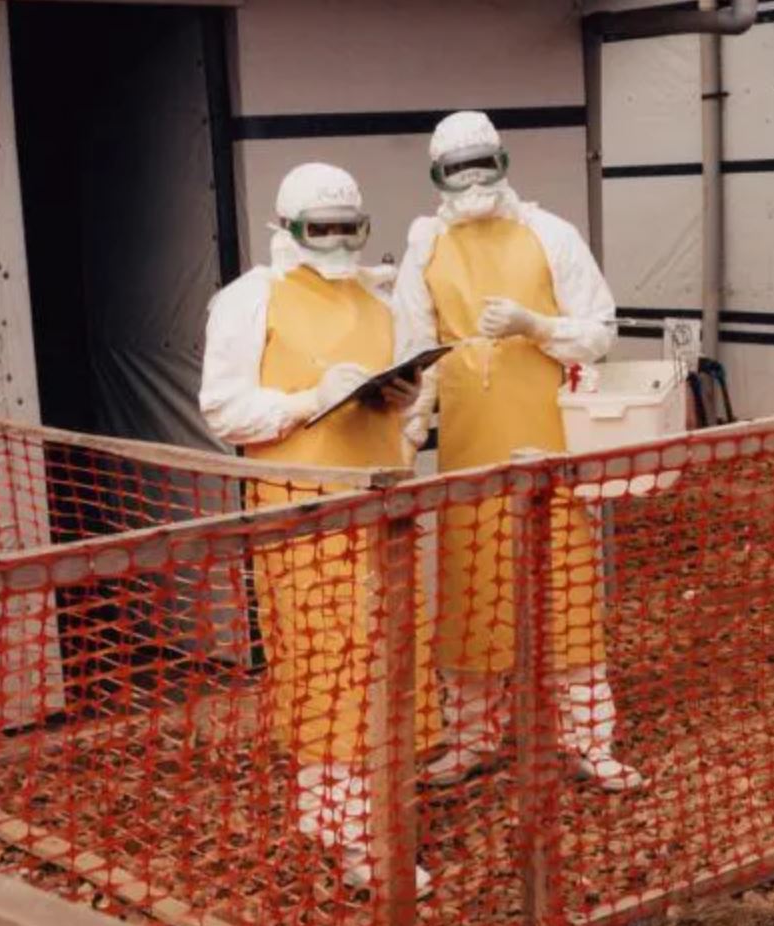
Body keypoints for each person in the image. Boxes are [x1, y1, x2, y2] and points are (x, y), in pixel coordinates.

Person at [199, 163, 439, 896]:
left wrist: (401, 397)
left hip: (381, 504)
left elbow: (410, 400)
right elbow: (223, 410)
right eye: (321, 229)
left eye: (349, 228)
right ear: (286, 227)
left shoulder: (380, 298)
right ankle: (355, 830)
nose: (337, 242)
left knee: (385, 654)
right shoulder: (249, 299)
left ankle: (357, 807)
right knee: (326, 660)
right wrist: (307, 400)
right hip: (301, 508)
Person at [392, 111, 644, 793]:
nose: (472, 180)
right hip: (469, 452)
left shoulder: (550, 234)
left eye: (483, 164)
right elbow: (415, 357)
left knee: (568, 593)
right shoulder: (425, 249)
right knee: (470, 596)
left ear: (503, 161)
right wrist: (405, 437)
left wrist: (536, 325)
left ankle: (589, 741)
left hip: (548, 443)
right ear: (437, 175)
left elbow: (598, 331)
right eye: (457, 169)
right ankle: (470, 740)